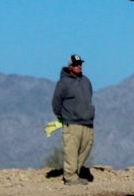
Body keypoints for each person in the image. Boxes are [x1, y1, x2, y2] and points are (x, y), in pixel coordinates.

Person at [51, 54, 95, 186]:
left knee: (86, 149)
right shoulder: (63, 83)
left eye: (80, 64)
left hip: (87, 123)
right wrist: (63, 117)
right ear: (70, 67)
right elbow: (56, 103)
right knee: (71, 151)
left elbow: (89, 97)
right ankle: (70, 178)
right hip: (72, 123)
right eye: (76, 64)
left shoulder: (86, 81)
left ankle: (75, 173)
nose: (79, 66)